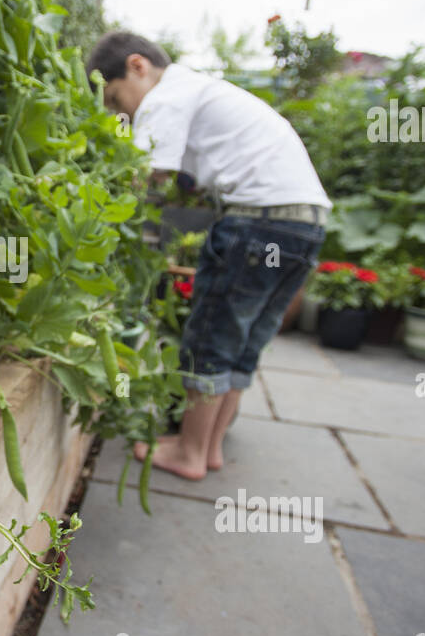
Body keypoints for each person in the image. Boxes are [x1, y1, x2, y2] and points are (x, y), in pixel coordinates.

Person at [87, 31, 331, 480]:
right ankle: (208, 446)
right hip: (305, 223)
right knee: (244, 341)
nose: (120, 112)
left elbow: (139, 178)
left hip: (258, 221)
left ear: (137, 67)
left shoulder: (167, 96)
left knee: (210, 336)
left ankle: (189, 453)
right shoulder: (202, 91)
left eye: (116, 98)